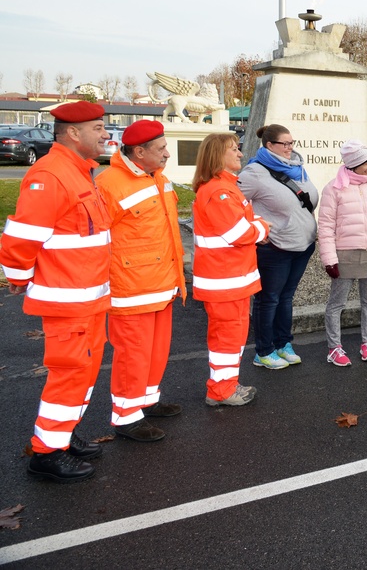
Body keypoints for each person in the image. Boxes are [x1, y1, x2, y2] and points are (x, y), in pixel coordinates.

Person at [0, 102, 111, 483]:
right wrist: (17, 276)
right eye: (98, 128)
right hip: (68, 300)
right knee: (69, 373)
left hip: (89, 298)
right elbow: (21, 239)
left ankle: (62, 435)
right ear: (73, 133)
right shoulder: (50, 174)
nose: (105, 134)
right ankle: (46, 452)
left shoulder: (80, 171)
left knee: (84, 372)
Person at [95, 120, 186, 443]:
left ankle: (146, 400)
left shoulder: (158, 179)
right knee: (133, 354)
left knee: (156, 351)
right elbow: (97, 238)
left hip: (161, 283)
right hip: (130, 288)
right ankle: (126, 416)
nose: (166, 154)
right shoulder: (109, 184)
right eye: (160, 149)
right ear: (139, 152)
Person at [192, 133, 269, 406]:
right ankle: (221, 391)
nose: (239, 153)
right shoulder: (219, 191)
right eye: (233, 149)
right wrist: (261, 229)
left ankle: (225, 386)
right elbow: (241, 231)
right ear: (217, 155)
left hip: (231, 279)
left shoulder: (226, 188)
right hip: (225, 281)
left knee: (232, 338)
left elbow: (250, 221)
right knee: (227, 339)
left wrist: (256, 227)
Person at [239, 124, 318, 370]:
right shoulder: (254, 172)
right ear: (269, 145)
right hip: (275, 248)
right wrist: (253, 229)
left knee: (286, 297)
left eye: (292, 143)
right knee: (268, 299)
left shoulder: (296, 168)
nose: (290, 148)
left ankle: (283, 343)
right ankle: (263, 351)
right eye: (285, 144)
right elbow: (231, 205)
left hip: (302, 245)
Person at [318, 140, 367, 366]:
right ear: (354, 163)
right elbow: (325, 227)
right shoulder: (333, 189)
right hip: (345, 256)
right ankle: (334, 348)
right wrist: (329, 260)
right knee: (337, 304)